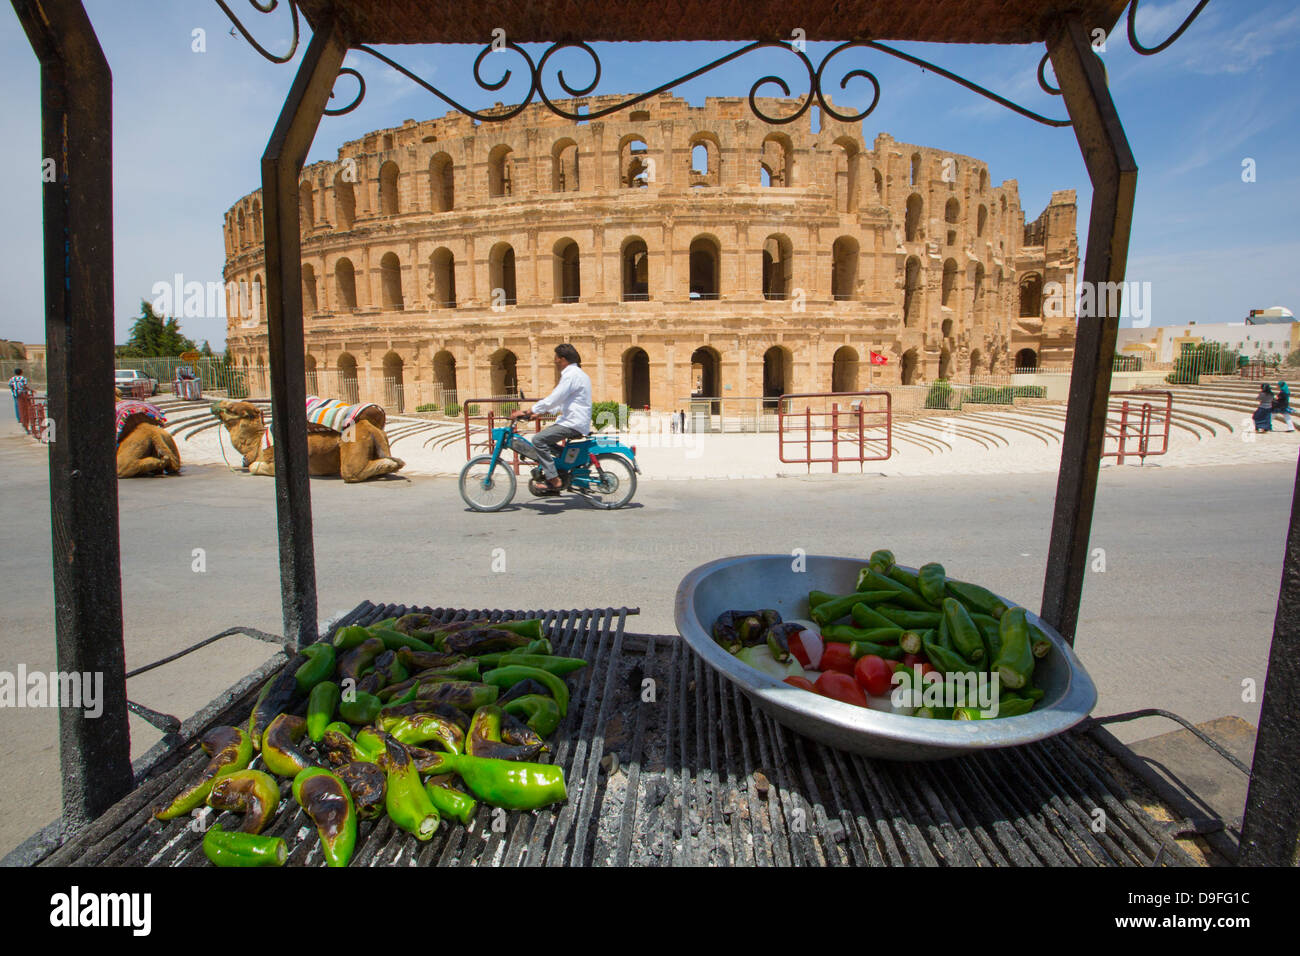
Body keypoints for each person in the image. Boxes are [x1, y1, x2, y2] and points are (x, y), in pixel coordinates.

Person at [510, 344, 592, 490]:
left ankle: (553, 479)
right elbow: (561, 403)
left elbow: (554, 398)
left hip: (573, 423)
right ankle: (563, 467)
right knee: (545, 442)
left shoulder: (571, 375)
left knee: (538, 439)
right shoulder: (579, 374)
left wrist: (528, 411)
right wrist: (538, 414)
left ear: (563, 359)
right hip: (574, 420)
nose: (554, 361)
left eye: (556, 358)